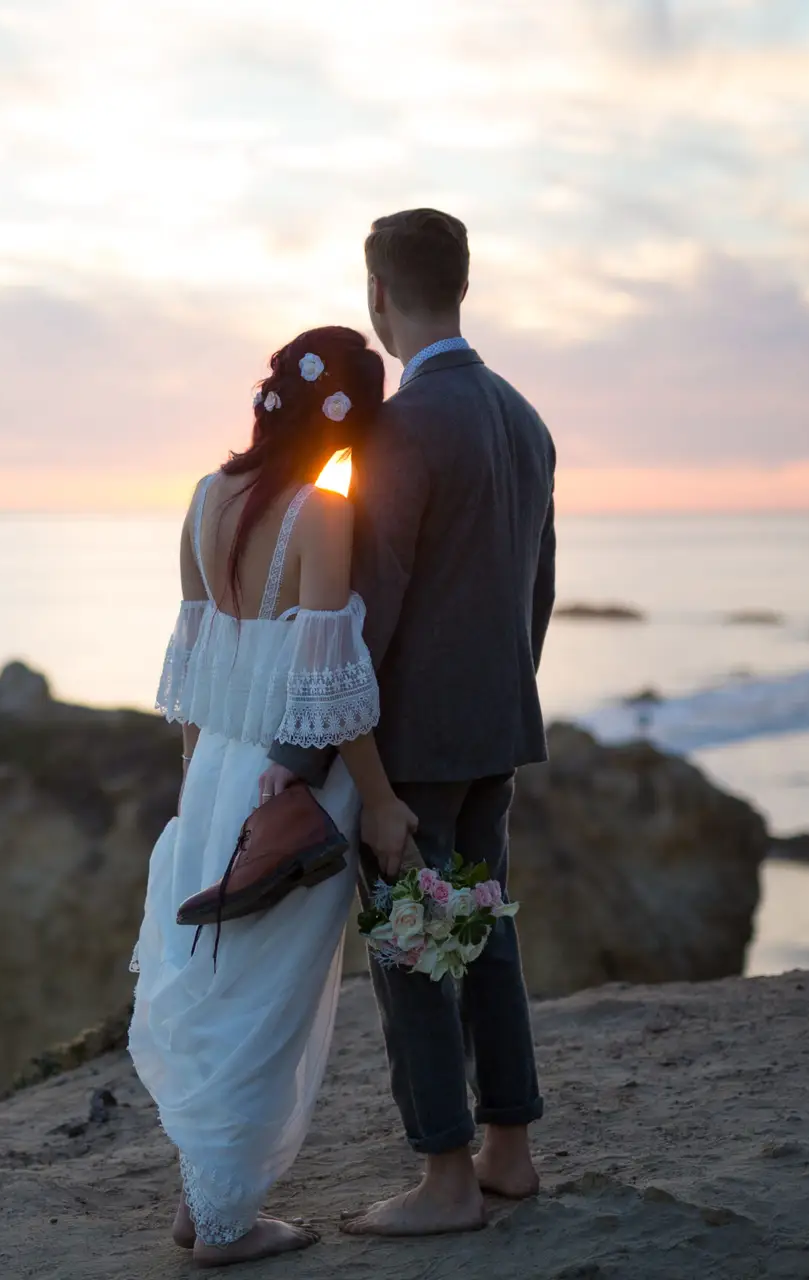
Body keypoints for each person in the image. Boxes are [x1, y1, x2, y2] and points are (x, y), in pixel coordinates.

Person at [264, 208, 559, 1237]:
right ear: (462, 284)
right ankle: (508, 1150)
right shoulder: (525, 419)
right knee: (485, 936)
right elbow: (538, 594)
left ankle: (445, 1177)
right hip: (497, 729)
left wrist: (297, 757)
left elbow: (362, 612)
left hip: (416, 752)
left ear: (378, 294)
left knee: (412, 952)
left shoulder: (399, 432)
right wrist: (501, 695)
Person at [130, 325, 419, 1266]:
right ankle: (223, 1223)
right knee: (266, 999)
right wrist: (379, 803)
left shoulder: (206, 499)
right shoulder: (321, 513)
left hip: (214, 768)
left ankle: (203, 1198)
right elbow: (332, 688)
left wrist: (197, 788)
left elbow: (194, 666)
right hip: (289, 784)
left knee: (215, 982)